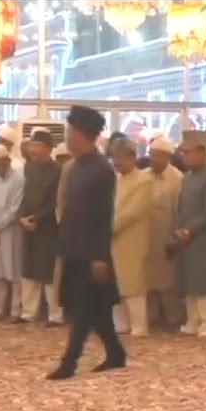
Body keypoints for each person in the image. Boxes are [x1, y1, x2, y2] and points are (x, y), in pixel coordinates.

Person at [47, 105, 126, 380]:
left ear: (83, 135)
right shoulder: (76, 167)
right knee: (97, 310)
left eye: (71, 132)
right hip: (74, 247)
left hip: (91, 252)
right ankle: (116, 353)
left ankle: (69, 363)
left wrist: (100, 256)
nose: (68, 138)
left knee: (82, 310)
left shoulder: (101, 170)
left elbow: (103, 216)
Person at [172, 131, 206, 338]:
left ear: (202, 152)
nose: (184, 156)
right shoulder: (186, 178)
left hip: (204, 237)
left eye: (188, 152)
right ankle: (193, 321)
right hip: (186, 239)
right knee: (190, 281)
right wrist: (178, 229)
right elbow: (180, 208)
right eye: (183, 152)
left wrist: (190, 229)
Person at [18, 130, 64, 326]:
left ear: (48, 149)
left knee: (49, 272)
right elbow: (25, 196)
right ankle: (28, 313)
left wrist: (37, 218)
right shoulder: (29, 167)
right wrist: (22, 218)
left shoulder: (58, 170)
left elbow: (56, 201)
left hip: (48, 227)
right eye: (33, 145)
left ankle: (55, 315)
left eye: (38, 146)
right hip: (29, 226)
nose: (34, 150)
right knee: (29, 270)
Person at [109, 140, 153, 337]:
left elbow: (133, 212)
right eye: (114, 158)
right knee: (115, 285)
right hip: (112, 240)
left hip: (132, 238)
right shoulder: (115, 179)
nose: (116, 162)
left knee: (133, 284)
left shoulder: (144, 181)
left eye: (120, 158)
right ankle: (120, 324)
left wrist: (109, 228)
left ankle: (139, 326)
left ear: (132, 158)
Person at [142, 137, 185, 327]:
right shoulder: (143, 176)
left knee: (169, 281)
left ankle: (173, 317)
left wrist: (174, 238)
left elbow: (180, 211)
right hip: (146, 236)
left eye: (157, 155)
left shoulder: (178, 178)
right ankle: (151, 316)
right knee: (147, 280)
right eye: (151, 154)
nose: (153, 159)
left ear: (168, 157)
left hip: (167, 235)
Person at [0, 146, 26, 320]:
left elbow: (15, 208)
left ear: (8, 161)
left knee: (14, 269)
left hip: (11, 230)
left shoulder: (19, 178)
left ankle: (15, 310)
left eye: (0, 163)